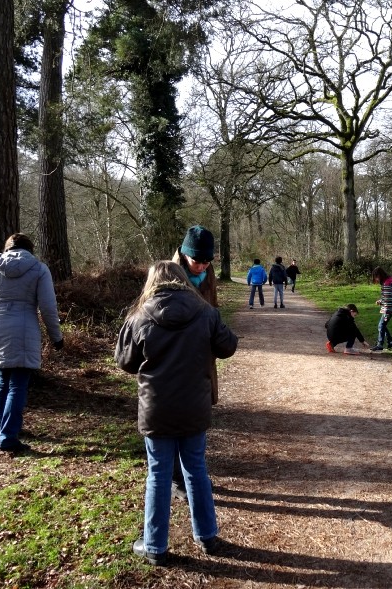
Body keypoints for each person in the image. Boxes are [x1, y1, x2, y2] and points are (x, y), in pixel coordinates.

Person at [115, 261, 238, 565]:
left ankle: (155, 546)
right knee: (195, 469)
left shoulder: (139, 316)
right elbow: (228, 346)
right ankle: (207, 535)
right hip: (194, 408)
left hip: (157, 410)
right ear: (184, 281)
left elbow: (124, 361)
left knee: (158, 474)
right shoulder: (205, 313)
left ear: (151, 282)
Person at [0, 233, 64, 454]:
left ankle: (5, 429)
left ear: (7, 248)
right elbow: (47, 307)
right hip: (24, 326)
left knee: (2, 382)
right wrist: (56, 337)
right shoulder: (38, 268)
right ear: (30, 249)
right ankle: (8, 436)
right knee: (18, 384)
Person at [171, 225, 218, 500]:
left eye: (206, 261)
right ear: (183, 255)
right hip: (176, 358)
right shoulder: (169, 274)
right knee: (176, 418)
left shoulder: (208, 272)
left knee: (197, 417)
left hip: (203, 355)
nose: (201, 266)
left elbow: (213, 306)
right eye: (196, 261)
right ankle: (177, 479)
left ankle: (195, 474)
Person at [371, 267, 392, 351]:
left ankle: (380, 344)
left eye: (376, 277)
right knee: (383, 325)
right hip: (391, 307)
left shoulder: (387, 284)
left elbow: (388, 299)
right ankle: (390, 342)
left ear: (379, 275)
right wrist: (381, 301)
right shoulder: (389, 281)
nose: (376, 279)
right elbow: (387, 296)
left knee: (381, 325)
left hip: (388, 309)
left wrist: (385, 310)